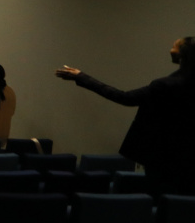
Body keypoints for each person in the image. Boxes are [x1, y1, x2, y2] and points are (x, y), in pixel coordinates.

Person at [55, 35, 195, 194]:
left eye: (174, 46)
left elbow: (125, 98)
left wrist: (82, 77)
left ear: (183, 54)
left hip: (161, 157)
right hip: (189, 157)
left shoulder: (164, 85)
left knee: (161, 198)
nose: (170, 49)